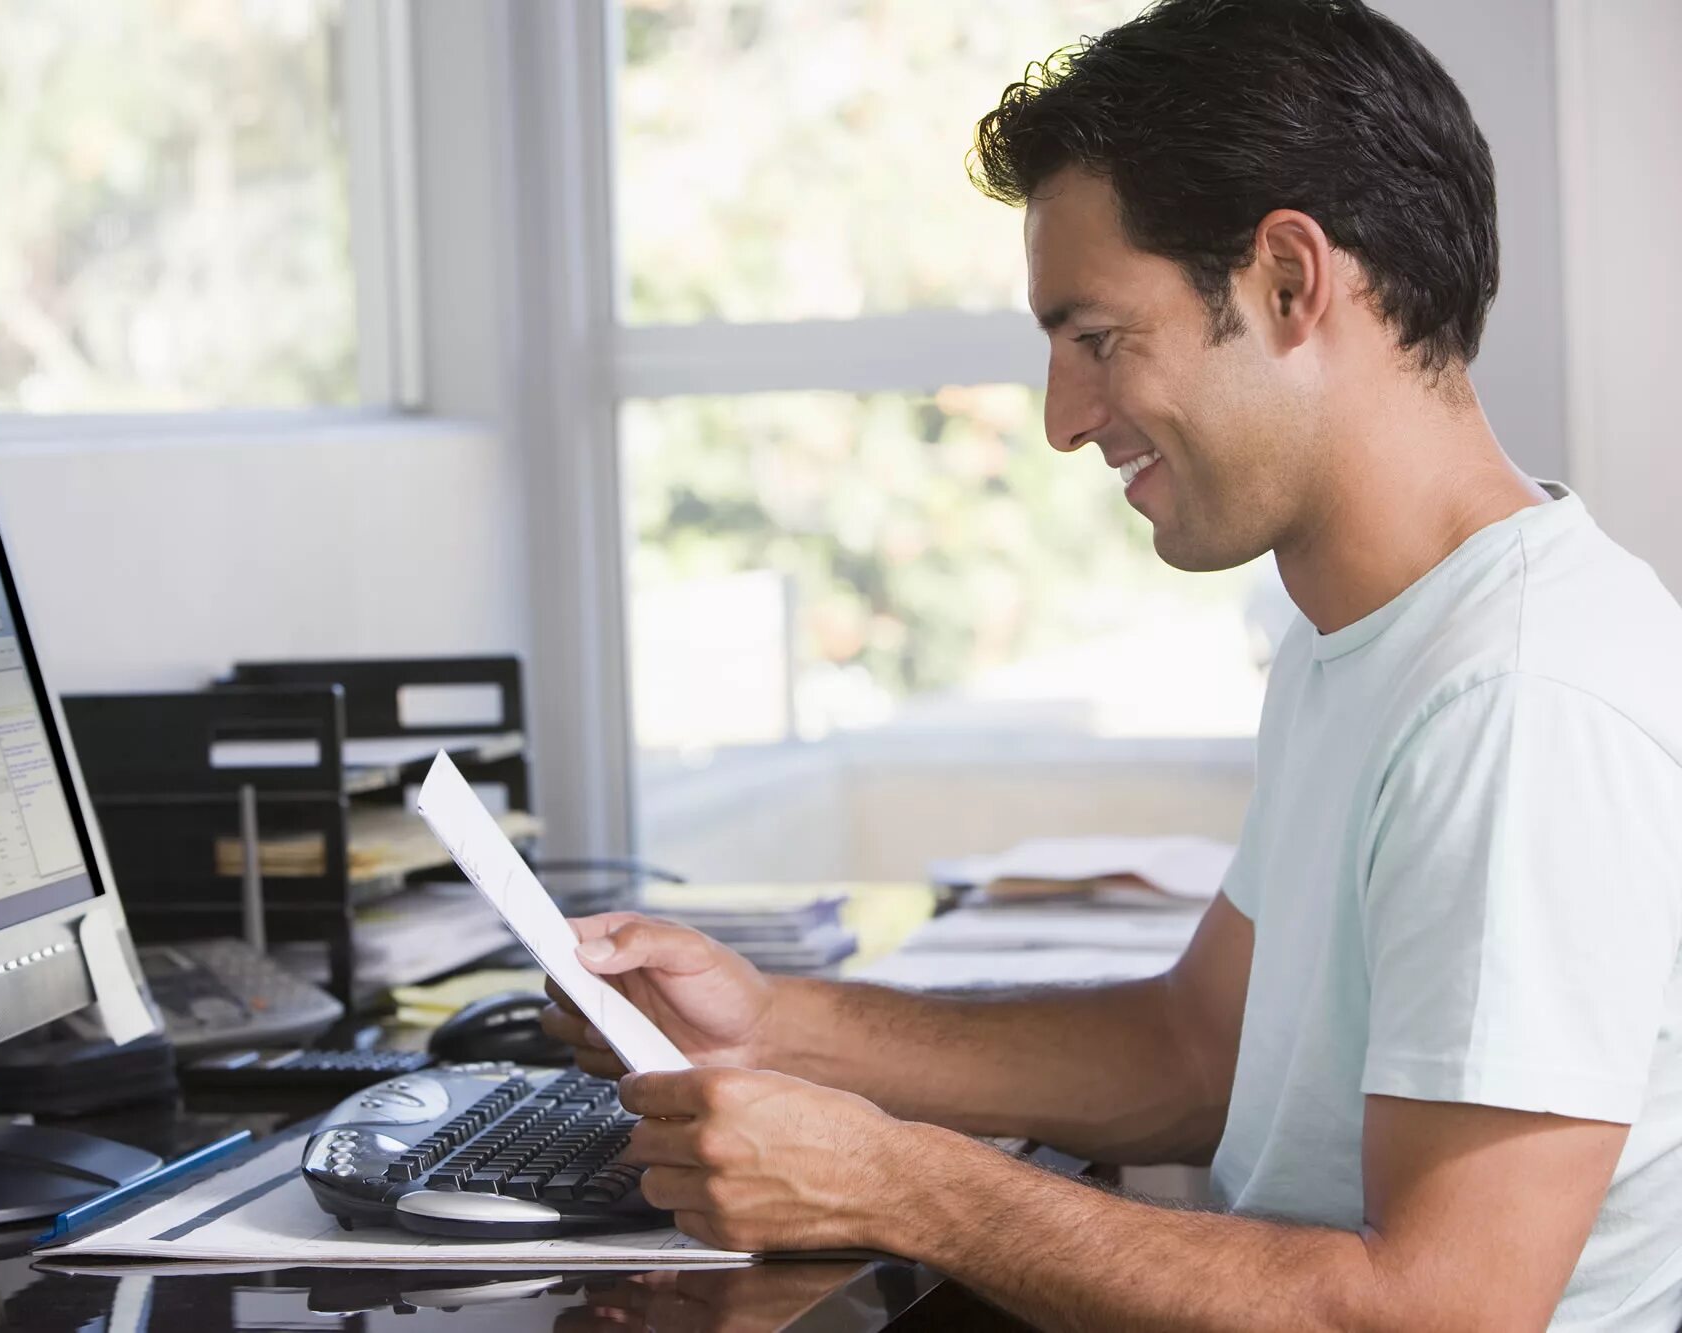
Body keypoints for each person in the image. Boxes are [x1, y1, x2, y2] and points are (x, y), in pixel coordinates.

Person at [541, 1, 1682, 1327]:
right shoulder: (1375, 641)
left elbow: (1436, 1311)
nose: (1062, 419)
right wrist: (770, 1029)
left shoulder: (1515, 701)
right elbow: (1200, 1045)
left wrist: (903, 1185)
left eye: (1097, 339)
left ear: (1289, 282)